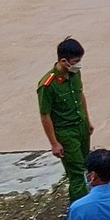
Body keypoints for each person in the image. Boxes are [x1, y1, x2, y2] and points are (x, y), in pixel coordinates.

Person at [37, 37, 93, 203]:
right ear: (64, 61)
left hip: (81, 126)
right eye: (76, 61)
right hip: (66, 132)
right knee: (76, 173)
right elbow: (44, 115)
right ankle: (79, 210)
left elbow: (80, 96)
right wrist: (54, 143)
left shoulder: (75, 73)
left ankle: (89, 200)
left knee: (87, 165)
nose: (79, 64)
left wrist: (87, 121)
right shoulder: (47, 85)